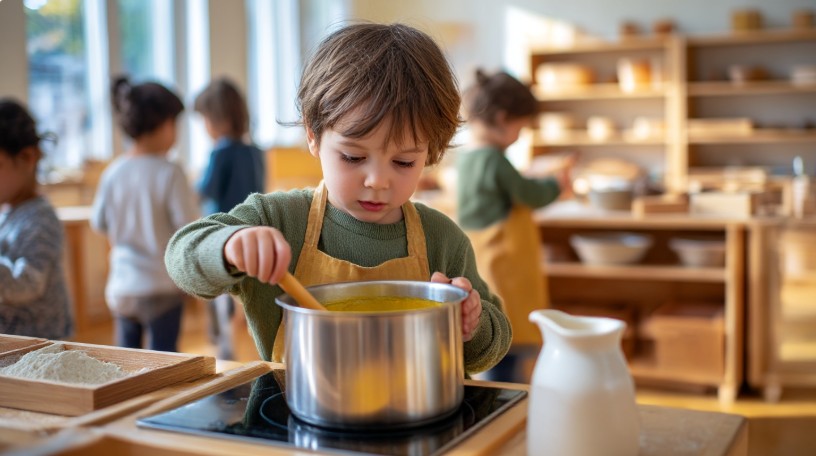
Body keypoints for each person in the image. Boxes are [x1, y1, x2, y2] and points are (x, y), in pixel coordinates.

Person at [165, 23, 511, 374]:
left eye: (404, 162)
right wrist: (228, 246)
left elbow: (493, 343)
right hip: (296, 404)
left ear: (430, 151)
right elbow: (181, 255)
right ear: (313, 136)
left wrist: (472, 324)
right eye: (353, 157)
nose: (377, 181)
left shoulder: (442, 239)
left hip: (418, 404)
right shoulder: (278, 219)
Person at [456, 69, 572, 382]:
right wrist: (556, 185)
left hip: (485, 266)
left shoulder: (468, 158)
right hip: (506, 272)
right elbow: (528, 194)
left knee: (492, 345)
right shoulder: (494, 160)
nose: (520, 136)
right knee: (508, 351)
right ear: (503, 119)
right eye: (521, 128)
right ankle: (507, 404)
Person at [91, 76, 199, 352]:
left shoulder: (113, 172)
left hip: (122, 288)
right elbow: (188, 226)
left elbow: (99, 222)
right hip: (161, 287)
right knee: (165, 361)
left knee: (127, 359)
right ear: (163, 124)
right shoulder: (170, 171)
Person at [193, 78, 266, 360]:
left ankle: (225, 352)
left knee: (222, 293)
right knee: (243, 295)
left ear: (217, 119)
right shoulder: (255, 151)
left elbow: (206, 189)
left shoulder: (220, 152)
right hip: (250, 229)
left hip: (222, 234)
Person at [0, 99, 73, 340]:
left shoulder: (40, 219)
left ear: (27, 158)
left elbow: (28, 284)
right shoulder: (7, 213)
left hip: (41, 345)